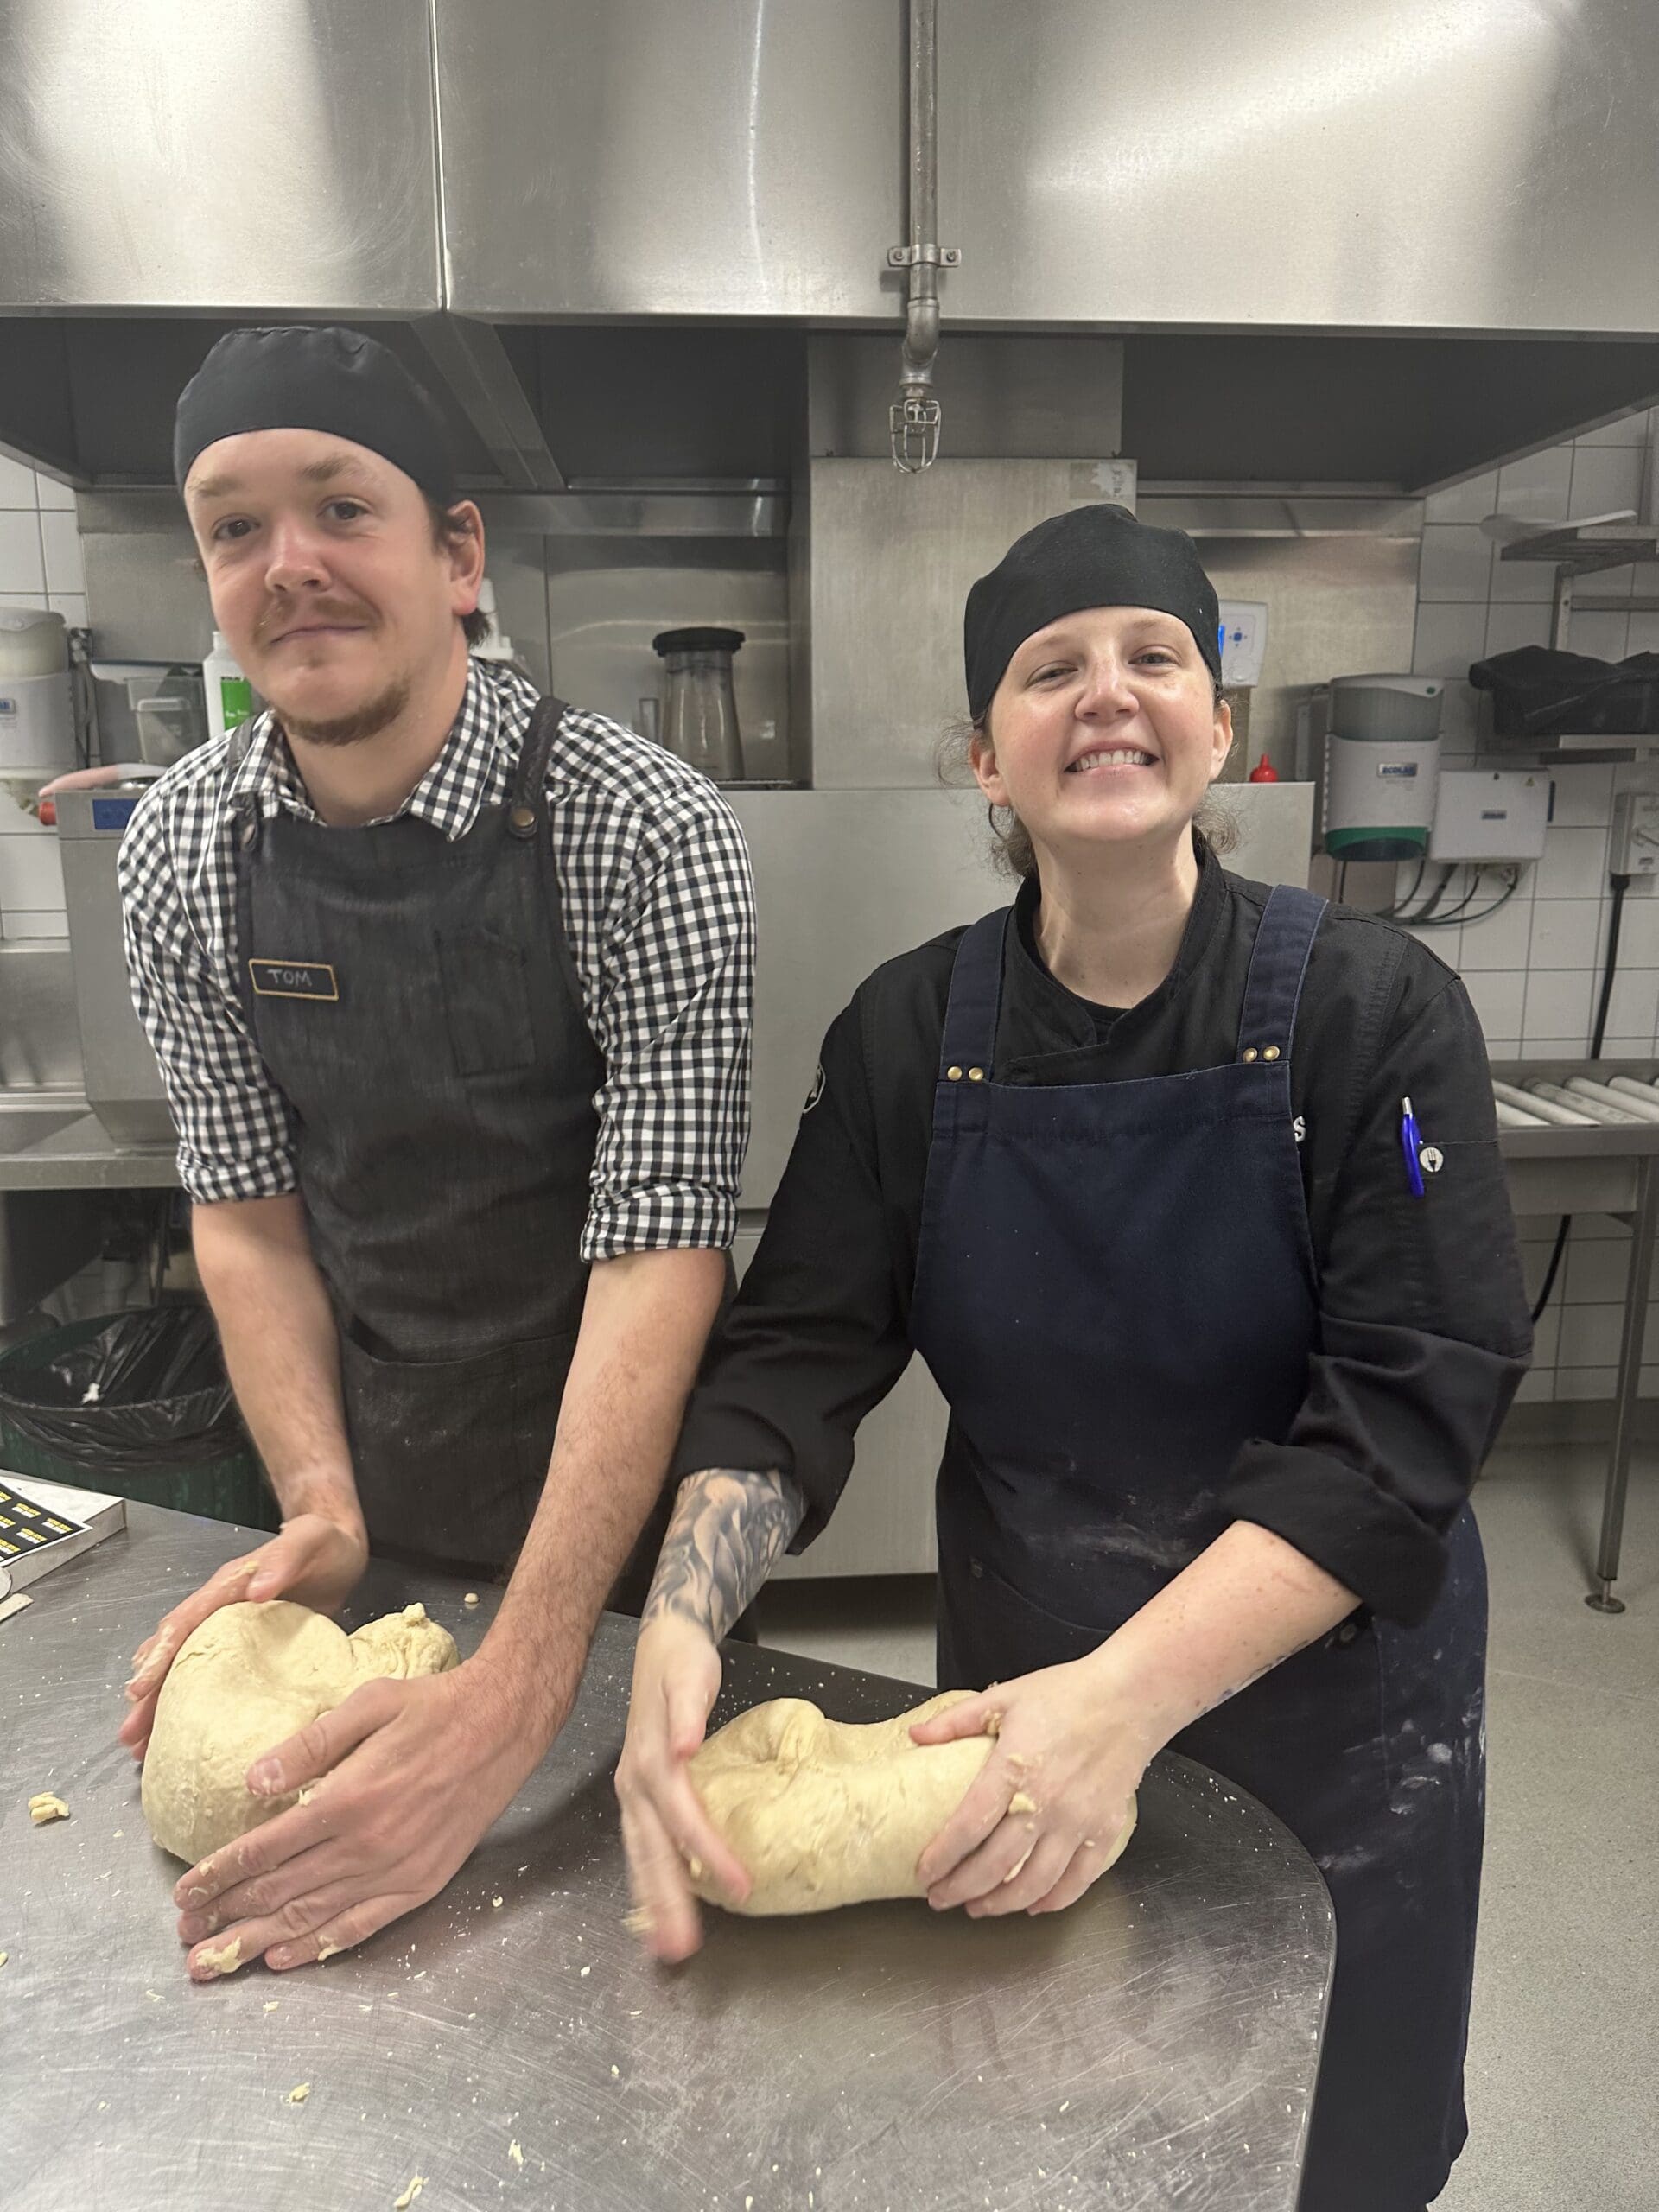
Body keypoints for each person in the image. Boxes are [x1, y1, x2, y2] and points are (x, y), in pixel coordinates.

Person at [614, 505, 1531, 2212]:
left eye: (1151, 656)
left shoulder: (1373, 1011)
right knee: (1070, 2129)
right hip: (1021, 1683)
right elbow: (796, 1350)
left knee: (1330, 2143)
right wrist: (683, 1609)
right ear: (985, 756)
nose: (1105, 693)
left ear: (1222, 734)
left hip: (1330, 1707)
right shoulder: (905, 1033)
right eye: (1050, 668)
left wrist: (1126, 1701)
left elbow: (1409, 1408)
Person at [115, 326, 754, 1980]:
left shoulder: (647, 830)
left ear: (457, 557)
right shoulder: (180, 851)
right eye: (236, 527)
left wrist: (527, 1678)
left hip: (624, 1522)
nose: (292, 566)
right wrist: (321, 1502)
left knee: (619, 1959)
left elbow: (661, 1245)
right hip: (375, 1477)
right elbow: (247, 1216)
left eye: (342, 506)